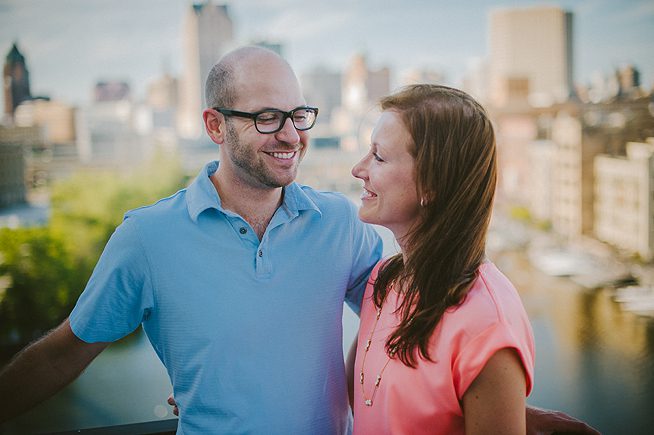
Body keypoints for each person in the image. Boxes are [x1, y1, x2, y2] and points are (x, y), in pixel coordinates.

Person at [1, 46, 598, 435]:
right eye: (266, 118)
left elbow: (424, 328)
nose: (290, 135)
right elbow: (60, 354)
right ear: (215, 126)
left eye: (298, 115)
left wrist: (509, 413)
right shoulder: (146, 239)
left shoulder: (343, 225)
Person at [346, 84, 594, 435]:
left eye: (379, 156)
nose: (359, 169)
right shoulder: (383, 281)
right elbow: (365, 396)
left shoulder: (486, 321)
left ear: (432, 183)